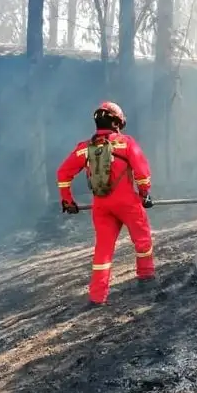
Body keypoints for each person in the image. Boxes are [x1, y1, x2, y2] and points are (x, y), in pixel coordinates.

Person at [56, 101, 155, 307]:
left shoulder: (85, 148)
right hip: (127, 202)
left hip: (101, 206)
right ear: (118, 122)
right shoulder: (126, 143)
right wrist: (145, 194)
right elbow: (142, 173)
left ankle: (97, 296)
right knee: (142, 238)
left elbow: (63, 173)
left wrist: (68, 200)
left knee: (103, 250)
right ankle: (146, 278)